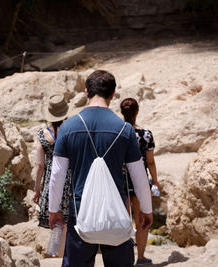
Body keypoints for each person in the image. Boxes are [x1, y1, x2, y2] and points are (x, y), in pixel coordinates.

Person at [48, 70, 153, 267]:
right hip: (116, 210)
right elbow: (138, 174)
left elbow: (57, 174)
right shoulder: (125, 130)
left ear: (86, 92)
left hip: (80, 211)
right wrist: (146, 209)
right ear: (113, 94)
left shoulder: (68, 127)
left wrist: (54, 210)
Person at [120, 97, 160, 265]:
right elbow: (150, 161)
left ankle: (122, 259)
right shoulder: (146, 135)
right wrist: (155, 181)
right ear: (137, 112)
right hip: (140, 182)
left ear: (122, 113)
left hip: (120, 182)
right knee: (141, 220)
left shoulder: (117, 133)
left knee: (122, 222)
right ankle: (141, 257)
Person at [33, 94, 71, 256]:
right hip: (70, 179)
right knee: (68, 222)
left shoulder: (42, 136)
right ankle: (63, 254)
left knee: (55, 221)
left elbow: (40, 165)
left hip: (51, 180)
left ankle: (56, 253)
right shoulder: (70, 131)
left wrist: (36, 189)